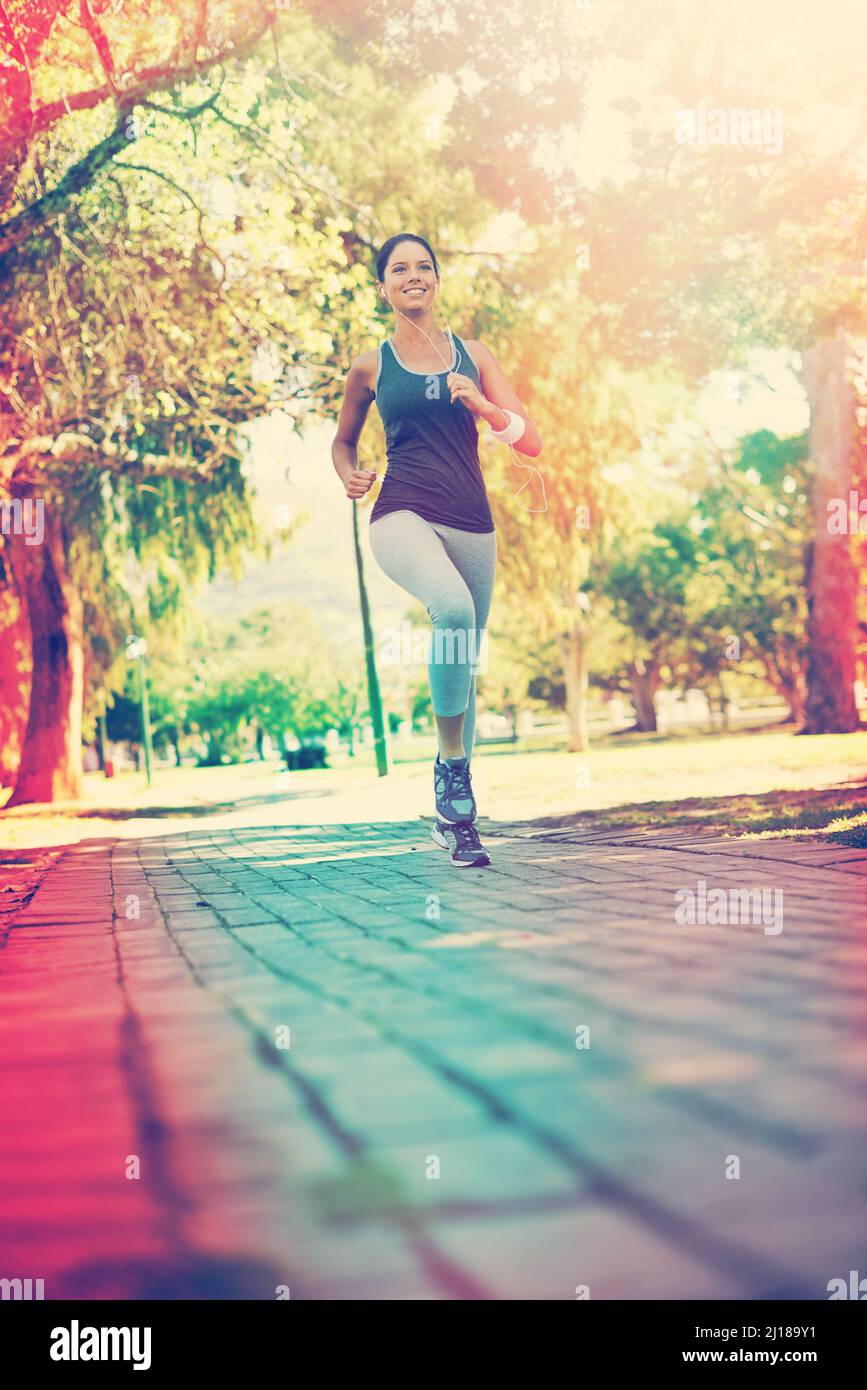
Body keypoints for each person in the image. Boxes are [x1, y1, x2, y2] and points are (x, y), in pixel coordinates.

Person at [331, 233, 542, 867]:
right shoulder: (371, 366)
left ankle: (458, 821)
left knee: (465, 661)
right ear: (383, 287)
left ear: (438, 280)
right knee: (451, 614)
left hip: (472, 520)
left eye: (424, 267)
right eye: (400, 269)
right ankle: (453, 772)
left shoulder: (474, 354)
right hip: (401, 512)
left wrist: (481, 404)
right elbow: (342, 442)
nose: (413, 276)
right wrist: (348, 474)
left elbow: (529, 441)